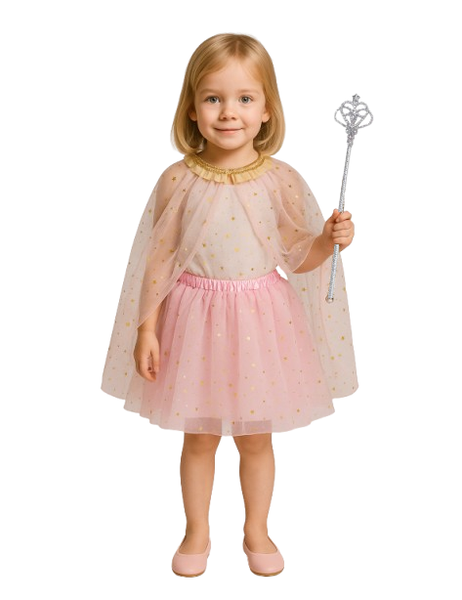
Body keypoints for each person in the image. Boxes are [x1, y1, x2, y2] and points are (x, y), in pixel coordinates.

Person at [101, 33, 358, 578]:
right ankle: (196, 531)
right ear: (192, 109)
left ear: (267, 110)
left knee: (255, 438)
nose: (228, 112)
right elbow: (158, 260)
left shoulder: (280, 179)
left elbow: (297, 254)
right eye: (213, 98)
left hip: (260, 323)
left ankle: (256, 529)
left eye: (245, 98)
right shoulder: (177, 179)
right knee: (199, 437)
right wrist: (146, 328)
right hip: (193, 322)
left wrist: (327, 240)